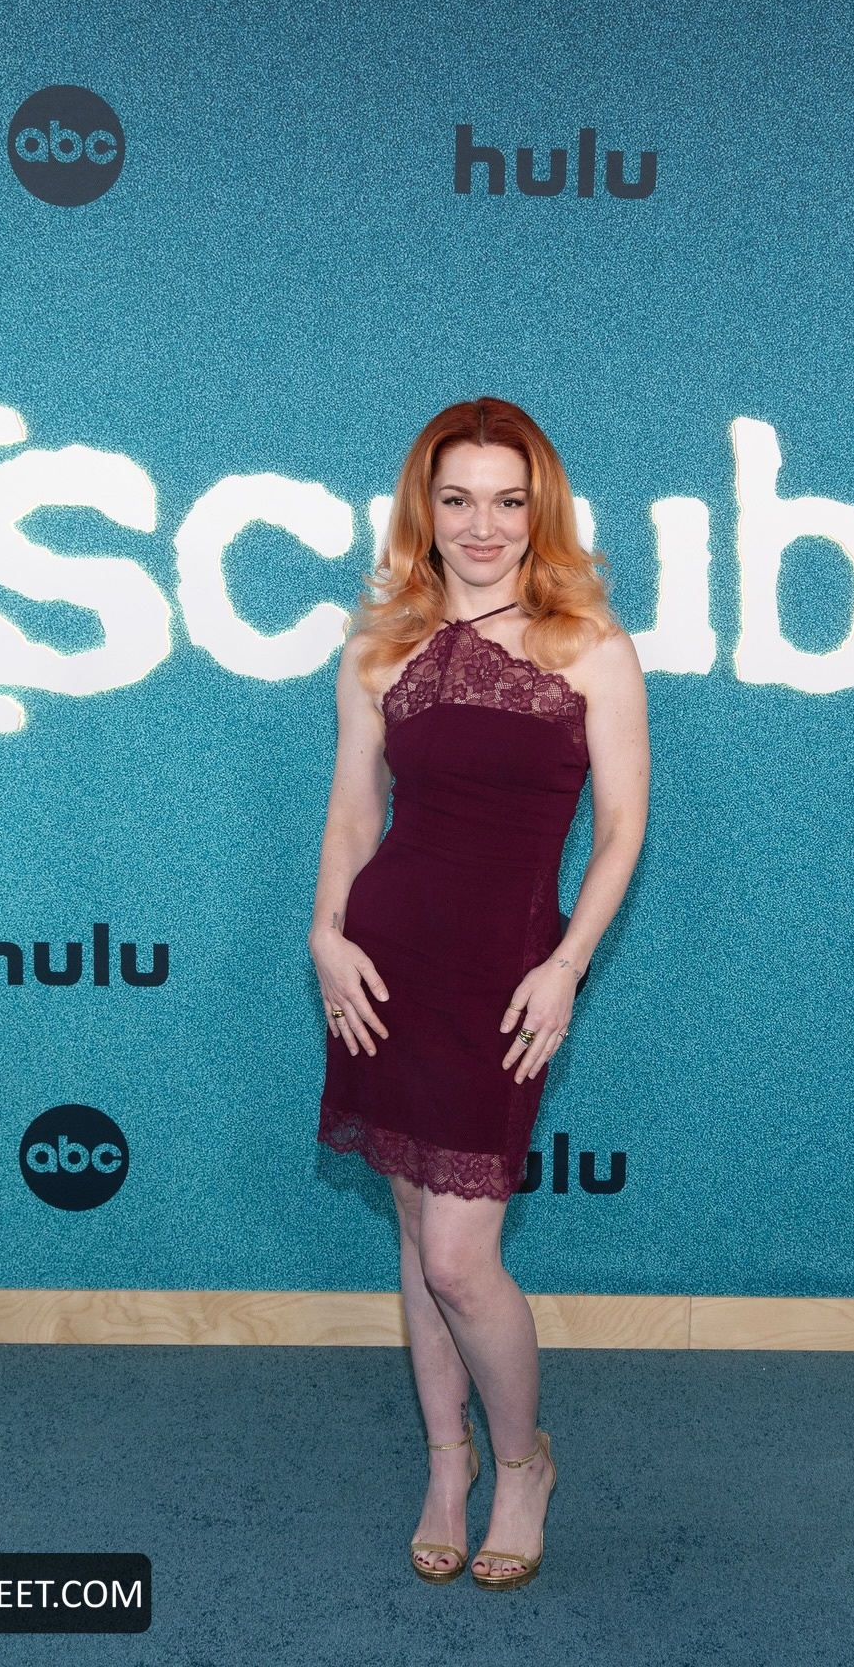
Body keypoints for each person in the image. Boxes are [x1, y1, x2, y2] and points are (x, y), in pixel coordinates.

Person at [309, 397, 649, 1589]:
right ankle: (445, 1466)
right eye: (458, 499)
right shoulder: (377, 647)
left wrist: (566, 965)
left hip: (506, 974)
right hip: (384, 964)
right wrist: (325, 934)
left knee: (461, 1256)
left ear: (540, 509)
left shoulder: (590, 645)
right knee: (414, 1232)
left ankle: (521, 1464)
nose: (484, 525)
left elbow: (622, 829)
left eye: (509, 500)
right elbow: (354, 813)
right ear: (426, 508)